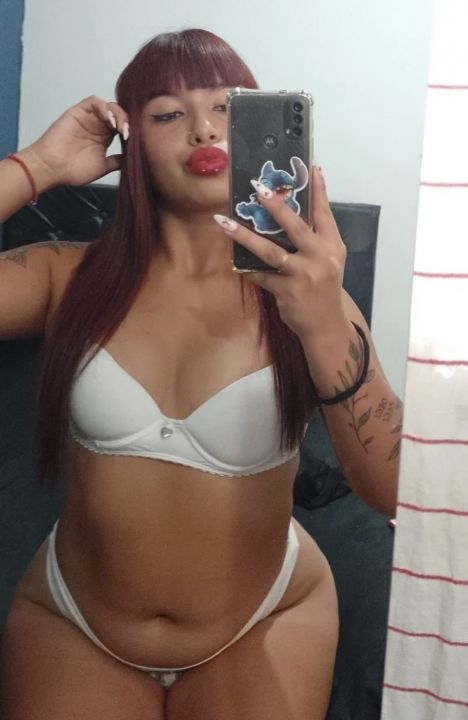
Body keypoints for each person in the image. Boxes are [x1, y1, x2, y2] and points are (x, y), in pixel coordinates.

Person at [0, 28, 401, 720]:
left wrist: (325, 321)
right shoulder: (67, 275)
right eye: (167, 113)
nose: (204, 129)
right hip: (74, 622)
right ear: (130, 143)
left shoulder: (304, 295)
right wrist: (37, 165)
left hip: (265, 619)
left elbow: (394, 491)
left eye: (226, 108)